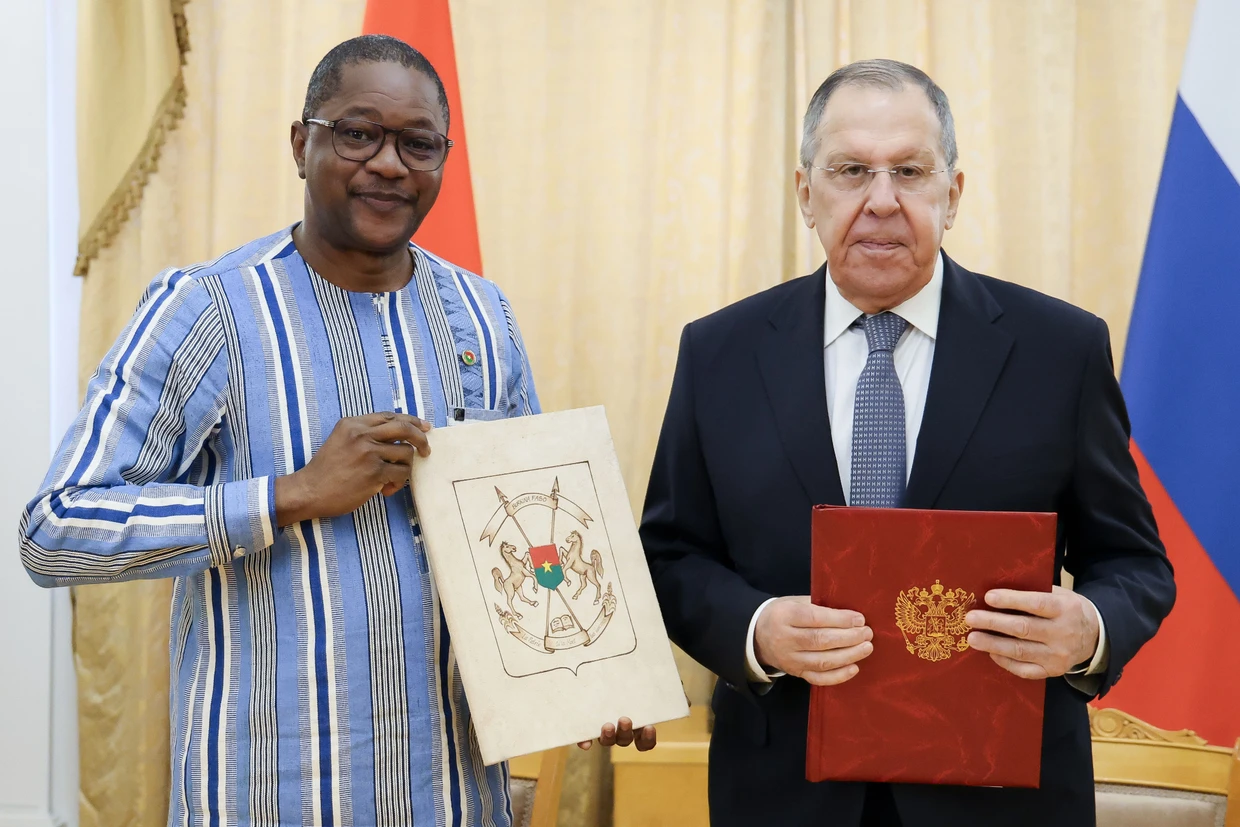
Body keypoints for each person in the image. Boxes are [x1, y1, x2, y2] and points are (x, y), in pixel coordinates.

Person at [21, 34, 652, 827]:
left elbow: (528, 541)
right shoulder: (206, 309)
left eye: (417, 143)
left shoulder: (484, 315)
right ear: (301, 143)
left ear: (442, 162)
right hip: (266, 792)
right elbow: (55, 529)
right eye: (358, 133)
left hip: (451, 794)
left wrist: (593, 677)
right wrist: (289, 494)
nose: (389, 163)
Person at [640, 59, 1174, 827]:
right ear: (805, 193)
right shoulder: (719, 353)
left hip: (1000, 797)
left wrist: (1089, 627)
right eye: (852, 170)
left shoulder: (1060, 350)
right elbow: (670, 552)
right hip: (784, 795)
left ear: (951, 195)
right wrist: (756, 630)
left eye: (910, 172)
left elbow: (1135, 562)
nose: (881, 201)